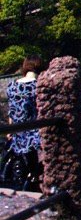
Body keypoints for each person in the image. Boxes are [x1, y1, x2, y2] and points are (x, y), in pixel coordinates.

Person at [5, 57, 46, 190]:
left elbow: (11, 111)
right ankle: (33, 180)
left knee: (23, 165)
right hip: (35, 134)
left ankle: (26, 182)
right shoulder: (39, 87)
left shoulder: (12, 86)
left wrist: (11, 130)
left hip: (18, 133)